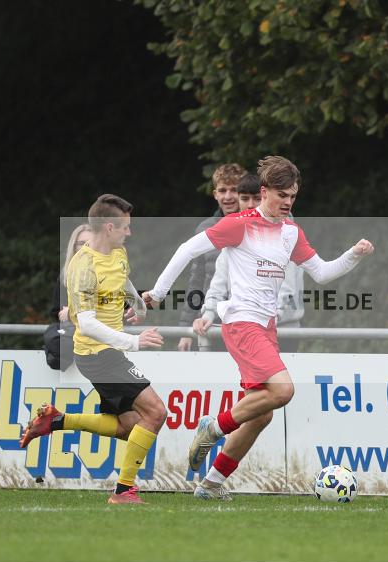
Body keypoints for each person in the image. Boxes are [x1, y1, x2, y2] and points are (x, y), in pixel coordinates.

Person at [144, 156, 373, 500]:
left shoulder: (291, 232)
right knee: (283, 391)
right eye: (282, 195)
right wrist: (159, 293)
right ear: (264, 192)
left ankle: (211, 484)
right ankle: (214, 426)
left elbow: (322, 273)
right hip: (241, 322)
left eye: (293, 197)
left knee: (261, 414)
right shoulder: (239, 224)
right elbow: (187, 250)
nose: (288, 202)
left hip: (266, 327)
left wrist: (354, 254)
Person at [20, 194, 167, 505]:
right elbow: (85, 324)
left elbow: (122, 280)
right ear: (110, 227)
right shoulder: (81, 267)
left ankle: (57, 421)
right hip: (97, 354)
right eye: (125, 227)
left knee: (129, 427)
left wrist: (137, 304)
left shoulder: (118, 252)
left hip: (109, 351)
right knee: (156, 413)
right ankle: (124, 491)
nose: (130, 232)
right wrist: (134, 341)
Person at [193, 173, 306, 352]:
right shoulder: (234, 235)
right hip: (242, 330)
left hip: (280, 332)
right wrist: (208, 314)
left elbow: (288, 294)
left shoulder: (288, 236)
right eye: (245, 199)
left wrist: (263, 321)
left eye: (256, 199)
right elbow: (217, 287)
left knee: (277, 380)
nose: (251, 204)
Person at [177, 163, 246, 351]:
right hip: (211, 324)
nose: (228, 196)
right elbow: (196, 283)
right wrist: (185, 329)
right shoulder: (204, 230)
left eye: (234, 190)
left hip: (249, 323)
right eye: (223, 190)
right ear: (215, 194)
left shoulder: (257, 226)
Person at [43, 224, 92, 370]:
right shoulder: (65, 275)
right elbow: (57, 312)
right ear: (74, 246)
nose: (86, 247)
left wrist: (72, 311)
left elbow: (112, 304)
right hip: (74, 339)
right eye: (82, 243)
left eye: (90, 243)